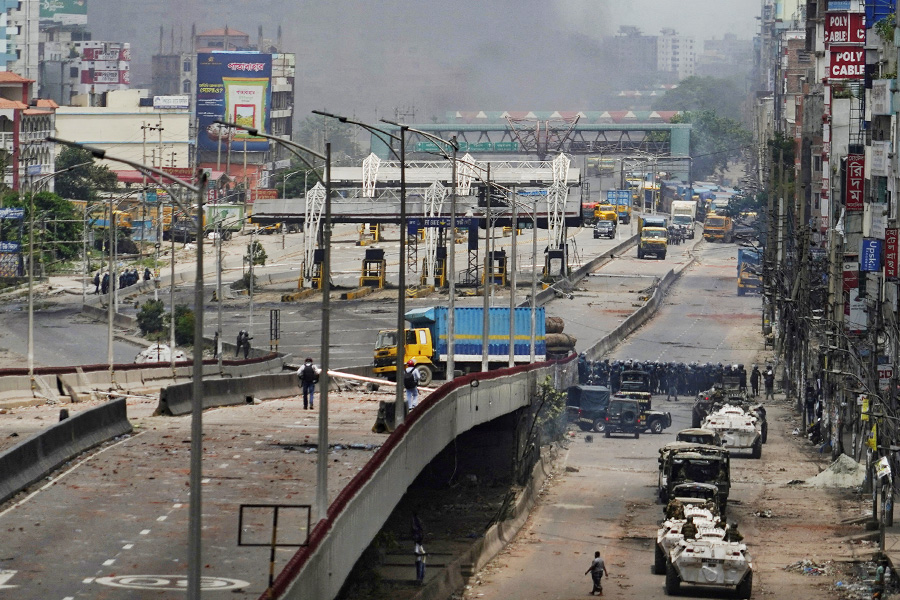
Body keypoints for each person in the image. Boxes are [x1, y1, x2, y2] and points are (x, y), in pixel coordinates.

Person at [412, 512, 426, 585]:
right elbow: (416, 553)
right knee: (420, 572)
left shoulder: (420, 546)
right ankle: (419, 582)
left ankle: (421, 582)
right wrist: (422, 554)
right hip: (419, 560)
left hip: (423, 560)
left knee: (423, 572)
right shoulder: (417, 545)